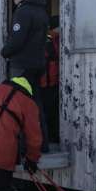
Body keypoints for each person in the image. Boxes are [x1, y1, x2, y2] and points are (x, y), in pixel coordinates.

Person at [0, 0, 50, 153]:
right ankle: (41, 143)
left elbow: (17, 41)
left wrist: (4, 51)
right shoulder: (42, 12)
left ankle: (21, 146)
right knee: (36, 104)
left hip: (21, 66)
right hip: (37, 64)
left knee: (18, 104)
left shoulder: (23, 12)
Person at [39, 16, 60, 144]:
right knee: (49, 111)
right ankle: (50, 137)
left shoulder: (52, 38)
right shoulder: (49, 39)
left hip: (50, 81)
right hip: (47, 82)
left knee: (49, 111)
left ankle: (51, 136)